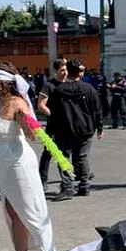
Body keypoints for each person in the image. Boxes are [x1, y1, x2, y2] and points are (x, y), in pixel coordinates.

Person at [0, 62, 60, 251]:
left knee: (32, 210)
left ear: (1, 82)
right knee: (12, 211)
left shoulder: (17, 103)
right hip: (2, 163)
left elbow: (32, 136)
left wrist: (30, 125)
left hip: (19, 164)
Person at [48, 60, 104, 201]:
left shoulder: (59, 90)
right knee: (82, 157)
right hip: (85, 129)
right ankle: (84, 186)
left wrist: (50, 131)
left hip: (64, 129)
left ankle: (67, 187)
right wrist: (99, 127)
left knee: (64, 157)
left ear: (68, 71)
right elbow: (97, 109)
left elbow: (54, 113)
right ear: (80, 72)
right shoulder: (88, 88)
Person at [37, 58, 67, 192]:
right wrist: (53, 115)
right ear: (56, 71)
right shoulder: (49, 85)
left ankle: (66, 182)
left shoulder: (70, 84)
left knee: (65, 153)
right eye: (62, 70)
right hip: (53, 125)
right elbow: (41, 105)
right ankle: (42, 180)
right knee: (49, 152)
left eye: (66, 70)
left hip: (68, 125)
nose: (65, 73)